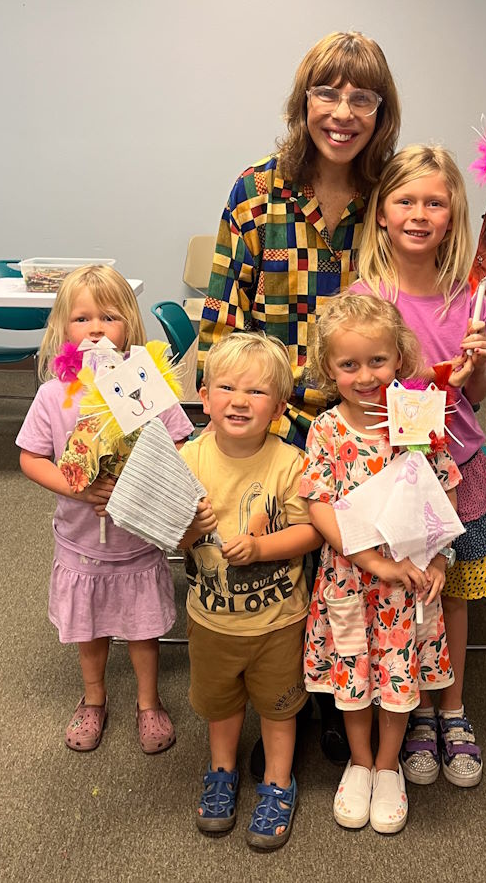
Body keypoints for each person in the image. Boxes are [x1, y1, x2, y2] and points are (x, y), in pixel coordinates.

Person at [197, 29, 402, 765]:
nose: (342, 112)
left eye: (361, 97)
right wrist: (249, 423)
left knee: (349, 570)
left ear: (381, 111)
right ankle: (277, 703)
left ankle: (333, 699)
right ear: (302, 101)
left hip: (362, 419)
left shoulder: (388, 197)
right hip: (274, 422)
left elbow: (415, 306)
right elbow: (222, 323)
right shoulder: (255, 191)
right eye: (327, 92)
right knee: (275, 565)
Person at [352, 144, 486, 788]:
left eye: (434, 203)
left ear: (452, 215)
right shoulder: (368, 298)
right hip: (392, 478)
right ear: (382, 214)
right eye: (405, 201)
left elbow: (478, 400)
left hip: (461, 471)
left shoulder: (471, 302)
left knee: (454, 596)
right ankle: (408, 705)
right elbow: (355, 388)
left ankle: (454, 708)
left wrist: (470, 375)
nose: (419, 213)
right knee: (402, 594)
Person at [299, 294, 460, 834]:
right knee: (354, 672)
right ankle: (360, 761)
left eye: (378, 361)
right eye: (349, 364)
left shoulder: (417, 422)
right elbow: (317, 502)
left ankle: (389, 765)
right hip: (350, 580)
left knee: (397, 673)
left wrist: (437, 557)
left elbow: (445, 490)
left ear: (399, 358)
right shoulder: (325, 429)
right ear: (329, 369)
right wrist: (369, 559)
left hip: (407, 583)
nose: (365, 375)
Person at [16, 265, 193, 754]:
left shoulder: (146, 387)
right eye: (82, 319)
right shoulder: (56, 394)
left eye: (110, 317)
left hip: (136, 537)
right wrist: (73, 486)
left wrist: (148, 476)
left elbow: (182, 443)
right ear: (62, 329)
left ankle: (148, 702)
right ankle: (93, 699)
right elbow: (30, 457)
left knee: (142, 627)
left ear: (129, 329)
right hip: (80, 541)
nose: (96, 328)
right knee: (88, 627)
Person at [178, 332, 322, 850]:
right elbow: (170, 538)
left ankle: (278, 782)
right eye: (227, 387)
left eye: (257, 393)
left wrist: (262, 550)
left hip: (278, 621)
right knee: (221, 705)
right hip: (211, 619)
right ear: (204, 395)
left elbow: (312, 532)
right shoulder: (188, 460)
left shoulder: (289, 463)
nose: (239, 401)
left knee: (280, 709)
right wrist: (191, 530)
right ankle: (222, 771)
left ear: (280, 408)